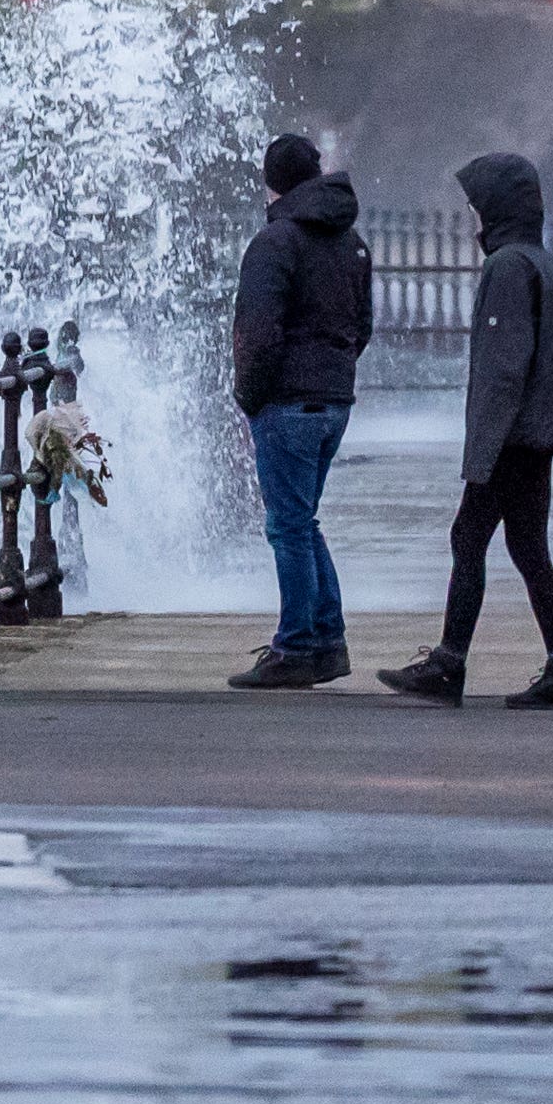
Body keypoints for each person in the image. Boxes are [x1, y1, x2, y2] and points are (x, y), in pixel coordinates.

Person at [383, 153, 553, 708]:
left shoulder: (507, 268)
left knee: (467, 538)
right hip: (538, 435)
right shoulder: (545, 265)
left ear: (495, 210)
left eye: (476, 207)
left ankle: (449, 665)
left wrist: (481, 456)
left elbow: (503, 369)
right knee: (528, 549)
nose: (472, 218)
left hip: (513, 437)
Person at [225, 131, 371, 690]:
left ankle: (295, 648)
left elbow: (257, 334)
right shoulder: (351, 241)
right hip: (335, 400)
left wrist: (250, 396)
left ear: (271, 181)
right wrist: (333, 375)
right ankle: (326, 640)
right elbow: (363, 327)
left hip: (287, 401)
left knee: (287, 526)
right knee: (303, 522)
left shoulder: (275, 243)